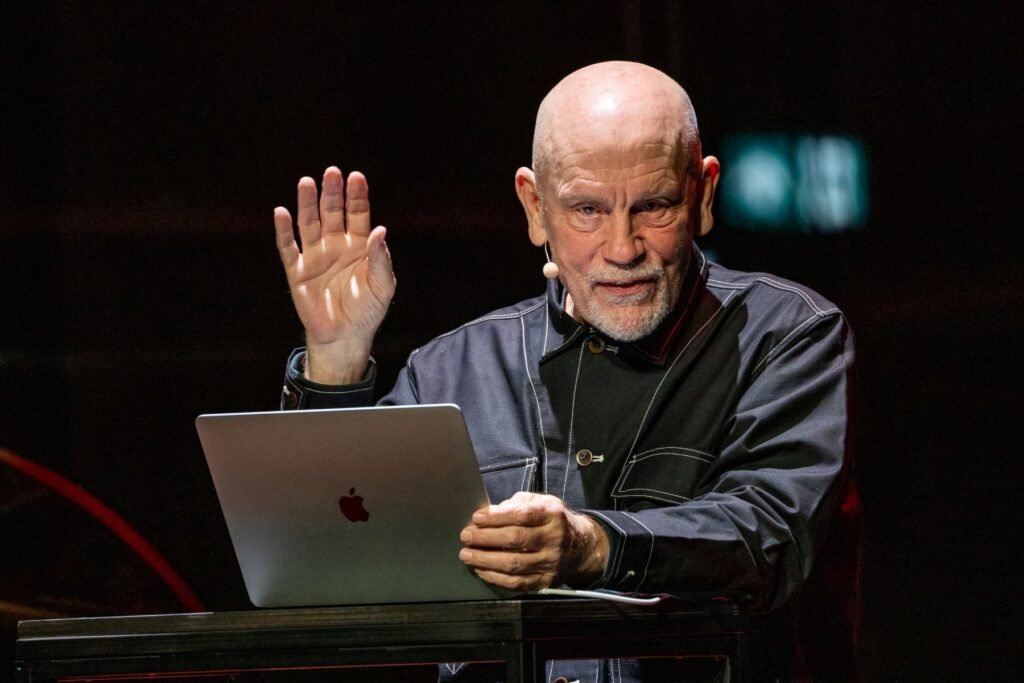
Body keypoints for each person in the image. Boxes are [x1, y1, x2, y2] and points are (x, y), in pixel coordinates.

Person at [273, 61, 854, 681]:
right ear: (534, 207)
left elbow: (768, 531)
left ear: (703, 195)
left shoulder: (786, 334)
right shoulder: (448, 371)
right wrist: (336, 357)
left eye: (654, 206)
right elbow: (325, 567)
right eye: (587, 210)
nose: (623, 248)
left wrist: (591, 545)